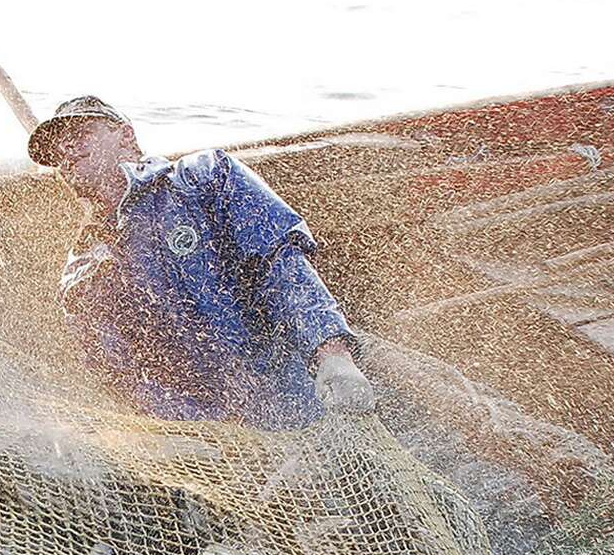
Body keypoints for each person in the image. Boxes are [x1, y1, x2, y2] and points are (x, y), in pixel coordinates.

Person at [27, 96, 378, 430]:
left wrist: (333, 354)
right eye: (57, 152)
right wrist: (197, 430)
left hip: (310, 391)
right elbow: (122, 377)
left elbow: (282, 263)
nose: (66, 153)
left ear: (126, 135)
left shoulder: (205, 177)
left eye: (78, 135)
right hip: (222, 438)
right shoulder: (83, 271)